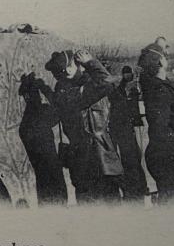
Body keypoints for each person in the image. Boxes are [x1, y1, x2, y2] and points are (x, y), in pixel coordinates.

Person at [46, 49, 122, 204]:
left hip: (91, 158)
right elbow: (107, 81)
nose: (80, 64)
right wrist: (90, 63)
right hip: (94, 158)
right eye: (76, 62)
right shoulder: (70, 92)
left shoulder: (69, 89)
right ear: (68, 69)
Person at [138, 46, 174, 204]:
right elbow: (160, 126)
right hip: (165, 154)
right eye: (165, 56)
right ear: (160, 61)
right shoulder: (159, 90)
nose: (167, 58)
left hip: (161, 152)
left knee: (170, 198)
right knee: (173, 202)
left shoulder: (156, 84)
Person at [17, 72, 67, 207]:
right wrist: (45, 89)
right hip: (53, 174)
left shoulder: (25, 123)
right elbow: (60, 110)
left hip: (42, 179)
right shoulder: (41, 113)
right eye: (36, 93)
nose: (37, 97)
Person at [109, 65, 148, 203]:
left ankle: (141, 187)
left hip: (132, 125)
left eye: (129, 73)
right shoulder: (120, 89)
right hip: (124, 127)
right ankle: (136, 189)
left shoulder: (134, 87)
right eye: (125, 73)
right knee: (130, 157)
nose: (127, 76)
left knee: (136, 155)